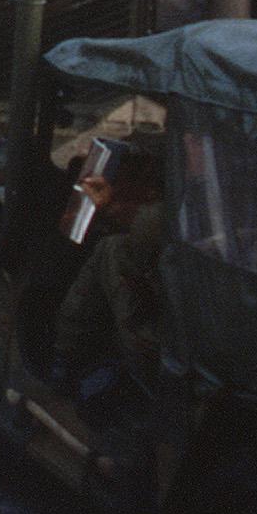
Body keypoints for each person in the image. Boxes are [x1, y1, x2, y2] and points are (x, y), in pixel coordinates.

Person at [51, 139, 166, 391]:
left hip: (171, 354)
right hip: (216, 343)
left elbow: (151, 230)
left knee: (110, 249)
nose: (190, 142)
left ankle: (65, 357)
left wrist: (111, 207)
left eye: (196, 139)